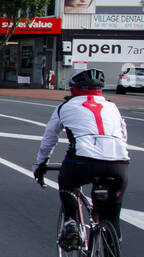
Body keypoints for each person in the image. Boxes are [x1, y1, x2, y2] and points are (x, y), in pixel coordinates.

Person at [33, 68, 130, 247]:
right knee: (112, 214)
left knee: (66, 181)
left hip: (82, 161)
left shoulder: (65, 107)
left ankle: (71, 223)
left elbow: (49, 138)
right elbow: (123, 135)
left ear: (74, 89)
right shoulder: (112, 107)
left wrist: (40, 164)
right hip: (119, 164)